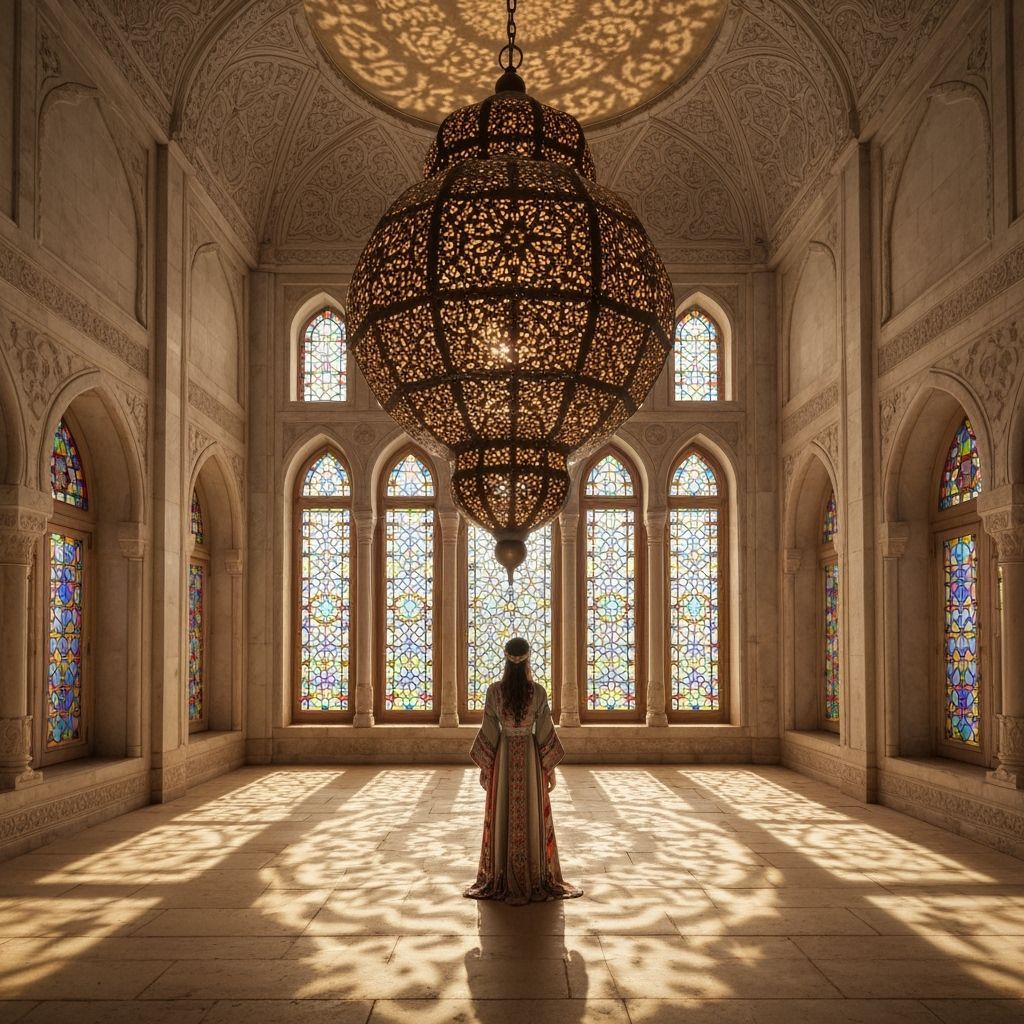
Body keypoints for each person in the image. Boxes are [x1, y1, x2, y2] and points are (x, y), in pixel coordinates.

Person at [464, 636, 583, 905]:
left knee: (504, 812)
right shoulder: (538, 692)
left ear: (505, 659)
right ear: (528, 659)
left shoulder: (494, 691)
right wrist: (548, 768)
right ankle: (534, 873)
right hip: (529, 756)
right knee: (531, 812)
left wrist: (486, 767)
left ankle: (502, 874)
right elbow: (543, 733)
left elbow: (489, 731)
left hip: (504, 755)